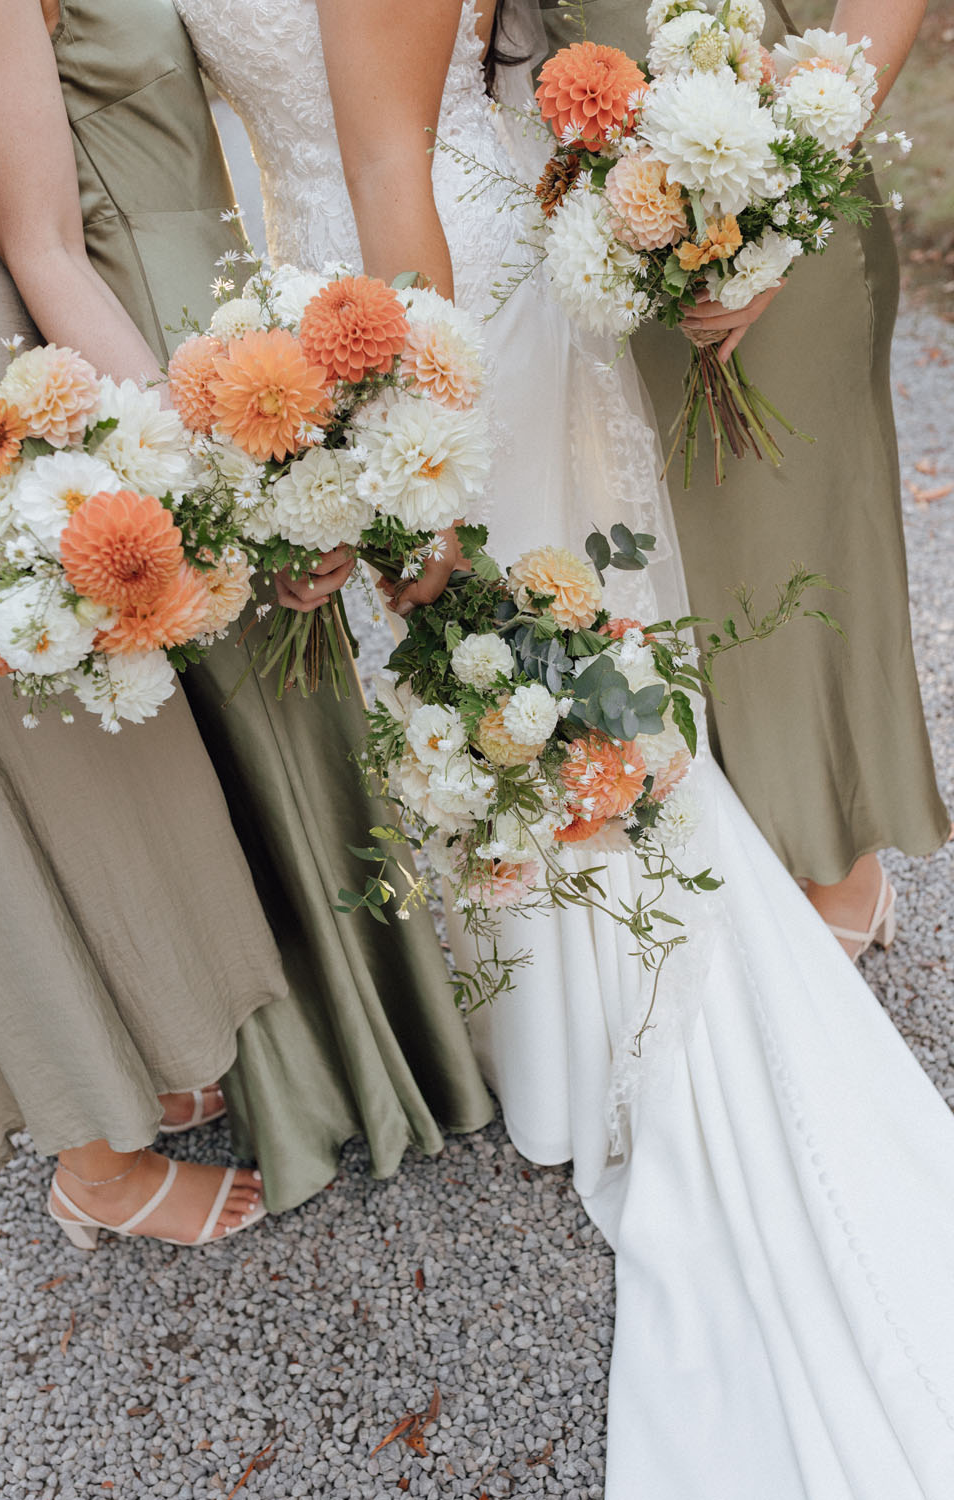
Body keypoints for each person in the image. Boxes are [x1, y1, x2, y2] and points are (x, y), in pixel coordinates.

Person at [172, 0, 954, 1491]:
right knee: (469, 704)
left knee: (514, 674)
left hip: (428, 295)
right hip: (310, 284)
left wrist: (413, 458)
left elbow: (388, 155)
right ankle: (481, 1003)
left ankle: (571, 1024)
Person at [0, 0, 491, 1242]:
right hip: (28, 383)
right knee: (2, 811)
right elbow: (45, 237)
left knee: (98, 784)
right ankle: (97, 1153)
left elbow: (50, 226)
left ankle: (144, 1070)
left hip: (55, 369)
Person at [540, 0, 949, 957]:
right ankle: (731, 873)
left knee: (785, 541)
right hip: (591, 206)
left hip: (765, 164)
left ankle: (835, 866)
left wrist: (779, 212)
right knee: (669, 568)